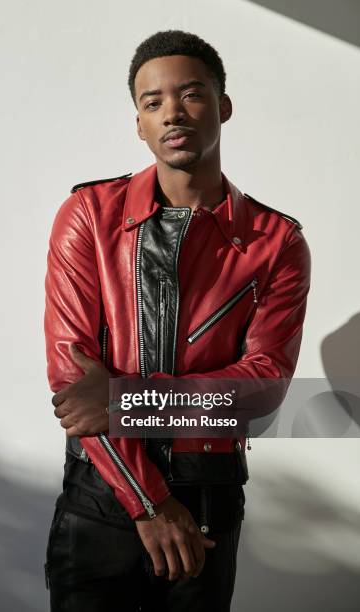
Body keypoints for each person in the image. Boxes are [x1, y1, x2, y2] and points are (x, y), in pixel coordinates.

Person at [43, 29, 311, 612]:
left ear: (224, 106)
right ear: (138, 123)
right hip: (100, 495)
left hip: (211, 491)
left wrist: (120, 400)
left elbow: (262, 387)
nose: (172, 113)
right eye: (152, 102)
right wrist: (151, 503)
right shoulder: (88, 215)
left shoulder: (276, 241)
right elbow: (72, 382)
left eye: (190, 94)